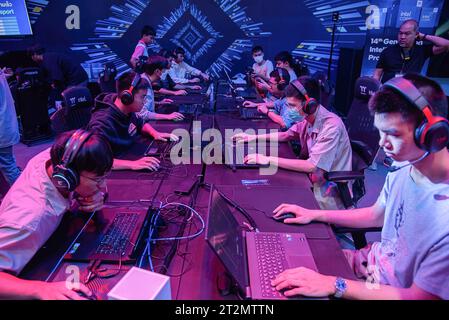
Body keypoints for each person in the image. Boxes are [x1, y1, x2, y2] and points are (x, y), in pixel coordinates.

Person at [271, 74, 449, 300]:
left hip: (386, 290)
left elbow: (418, 297)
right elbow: (376, 215)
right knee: (282, 266)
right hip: (370, 266)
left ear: (433, 135)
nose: (382, 144)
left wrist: (335, 284)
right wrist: (313, 214)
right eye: (381, 131)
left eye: (393, 134)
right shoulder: (405, 172)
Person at [0, 130, 113, 299]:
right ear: (68, 177)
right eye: (98, 180)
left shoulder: (60, 158)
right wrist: (39, 289)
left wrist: (92, 192)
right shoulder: (30, 219)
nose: (103, 185)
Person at [233, 76, 352, 210]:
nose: (289, 110)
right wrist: (252, 137)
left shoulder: (331, 126)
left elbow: (311, 166)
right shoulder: (309, 118)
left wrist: (266, 159)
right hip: (310, 179)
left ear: (309, 104)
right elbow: (286, 135)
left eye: (293, 106)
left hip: (326, 190)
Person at [87, 71, 177, 171]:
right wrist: (132, 164)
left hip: (132, 151)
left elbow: (141, 124)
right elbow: (96, 160)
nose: (145, 101)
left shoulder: (127, 109)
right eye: (143, 97)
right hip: (114, 171)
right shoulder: (102, 122)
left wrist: (155, 133)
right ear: (127, 96)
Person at [374, 19, 449, 83]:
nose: (402, 37)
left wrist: (424, 36)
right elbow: (377, 74)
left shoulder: (422, 50)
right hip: (388, 90)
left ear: (416, 34)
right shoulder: (387, 51)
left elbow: (446, 44)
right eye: (400, 33)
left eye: (407, 34)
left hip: (410, 92)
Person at [137, 55, 185, 122]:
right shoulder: (144, 85)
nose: (164, 73)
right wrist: (168, 116)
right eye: (163, 70)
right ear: (157, 71)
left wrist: (159, 103)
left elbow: (145, 104)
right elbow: (142, 114)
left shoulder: (146, 79)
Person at [0, 68, 21, 190]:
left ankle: (23, 196)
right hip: (6, 127)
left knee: (8, 166)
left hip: (2, 130)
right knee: (8, 164)